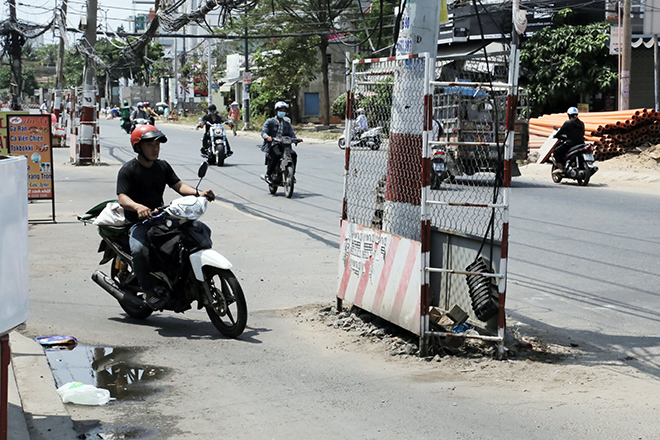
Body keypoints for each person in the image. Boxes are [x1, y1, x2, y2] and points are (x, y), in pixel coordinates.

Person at [116, 125, 215, 310]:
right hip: (139, 222)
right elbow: (122, 197)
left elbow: (178, 185)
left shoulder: (162, 166)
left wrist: (199, 193)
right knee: (139, 250)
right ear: (138, 147)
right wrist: (138, 207)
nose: (155, 149)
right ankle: (149, 292)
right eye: (150, 145)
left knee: (199, 231)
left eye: (157, 145)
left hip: (161, 217)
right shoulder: (128, 170)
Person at [260, 101, 303, 184]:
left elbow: (292, 134)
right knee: (277, 155)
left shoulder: (287, 124)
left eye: (284, 111)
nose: (282, 112)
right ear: (276, 111)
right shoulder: (270, 122)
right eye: (280, 110)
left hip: (285, 144)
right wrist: (268, 137)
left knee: (293, 155)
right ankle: (268, 175)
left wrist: (296, 139)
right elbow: (264, 132)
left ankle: (292, 175)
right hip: (273, 144)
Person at [553, 106, 585, 173]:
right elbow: (583, 133)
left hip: (570, 143)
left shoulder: (568, 123)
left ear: (568, 115)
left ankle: (561, 168)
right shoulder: (581, 123)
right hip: (581, 143)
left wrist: (555, 136)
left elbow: (560, 132)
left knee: (556, 151)